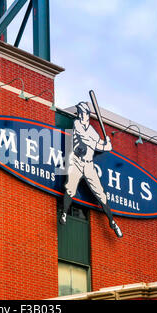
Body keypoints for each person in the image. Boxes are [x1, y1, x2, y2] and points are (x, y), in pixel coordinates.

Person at [60, 102, 123, 238]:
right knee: (70, 188)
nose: (80, 114)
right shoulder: (77, 124)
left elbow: (98, 143)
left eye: (83, 112)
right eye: (79, 112)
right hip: (76, 162)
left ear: (87, 114)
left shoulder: (92, 131)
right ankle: (64, 213)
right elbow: (93, 143)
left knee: (101, 194)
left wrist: (106, 144)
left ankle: (112, 222)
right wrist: (106, 147)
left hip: (89, 165)